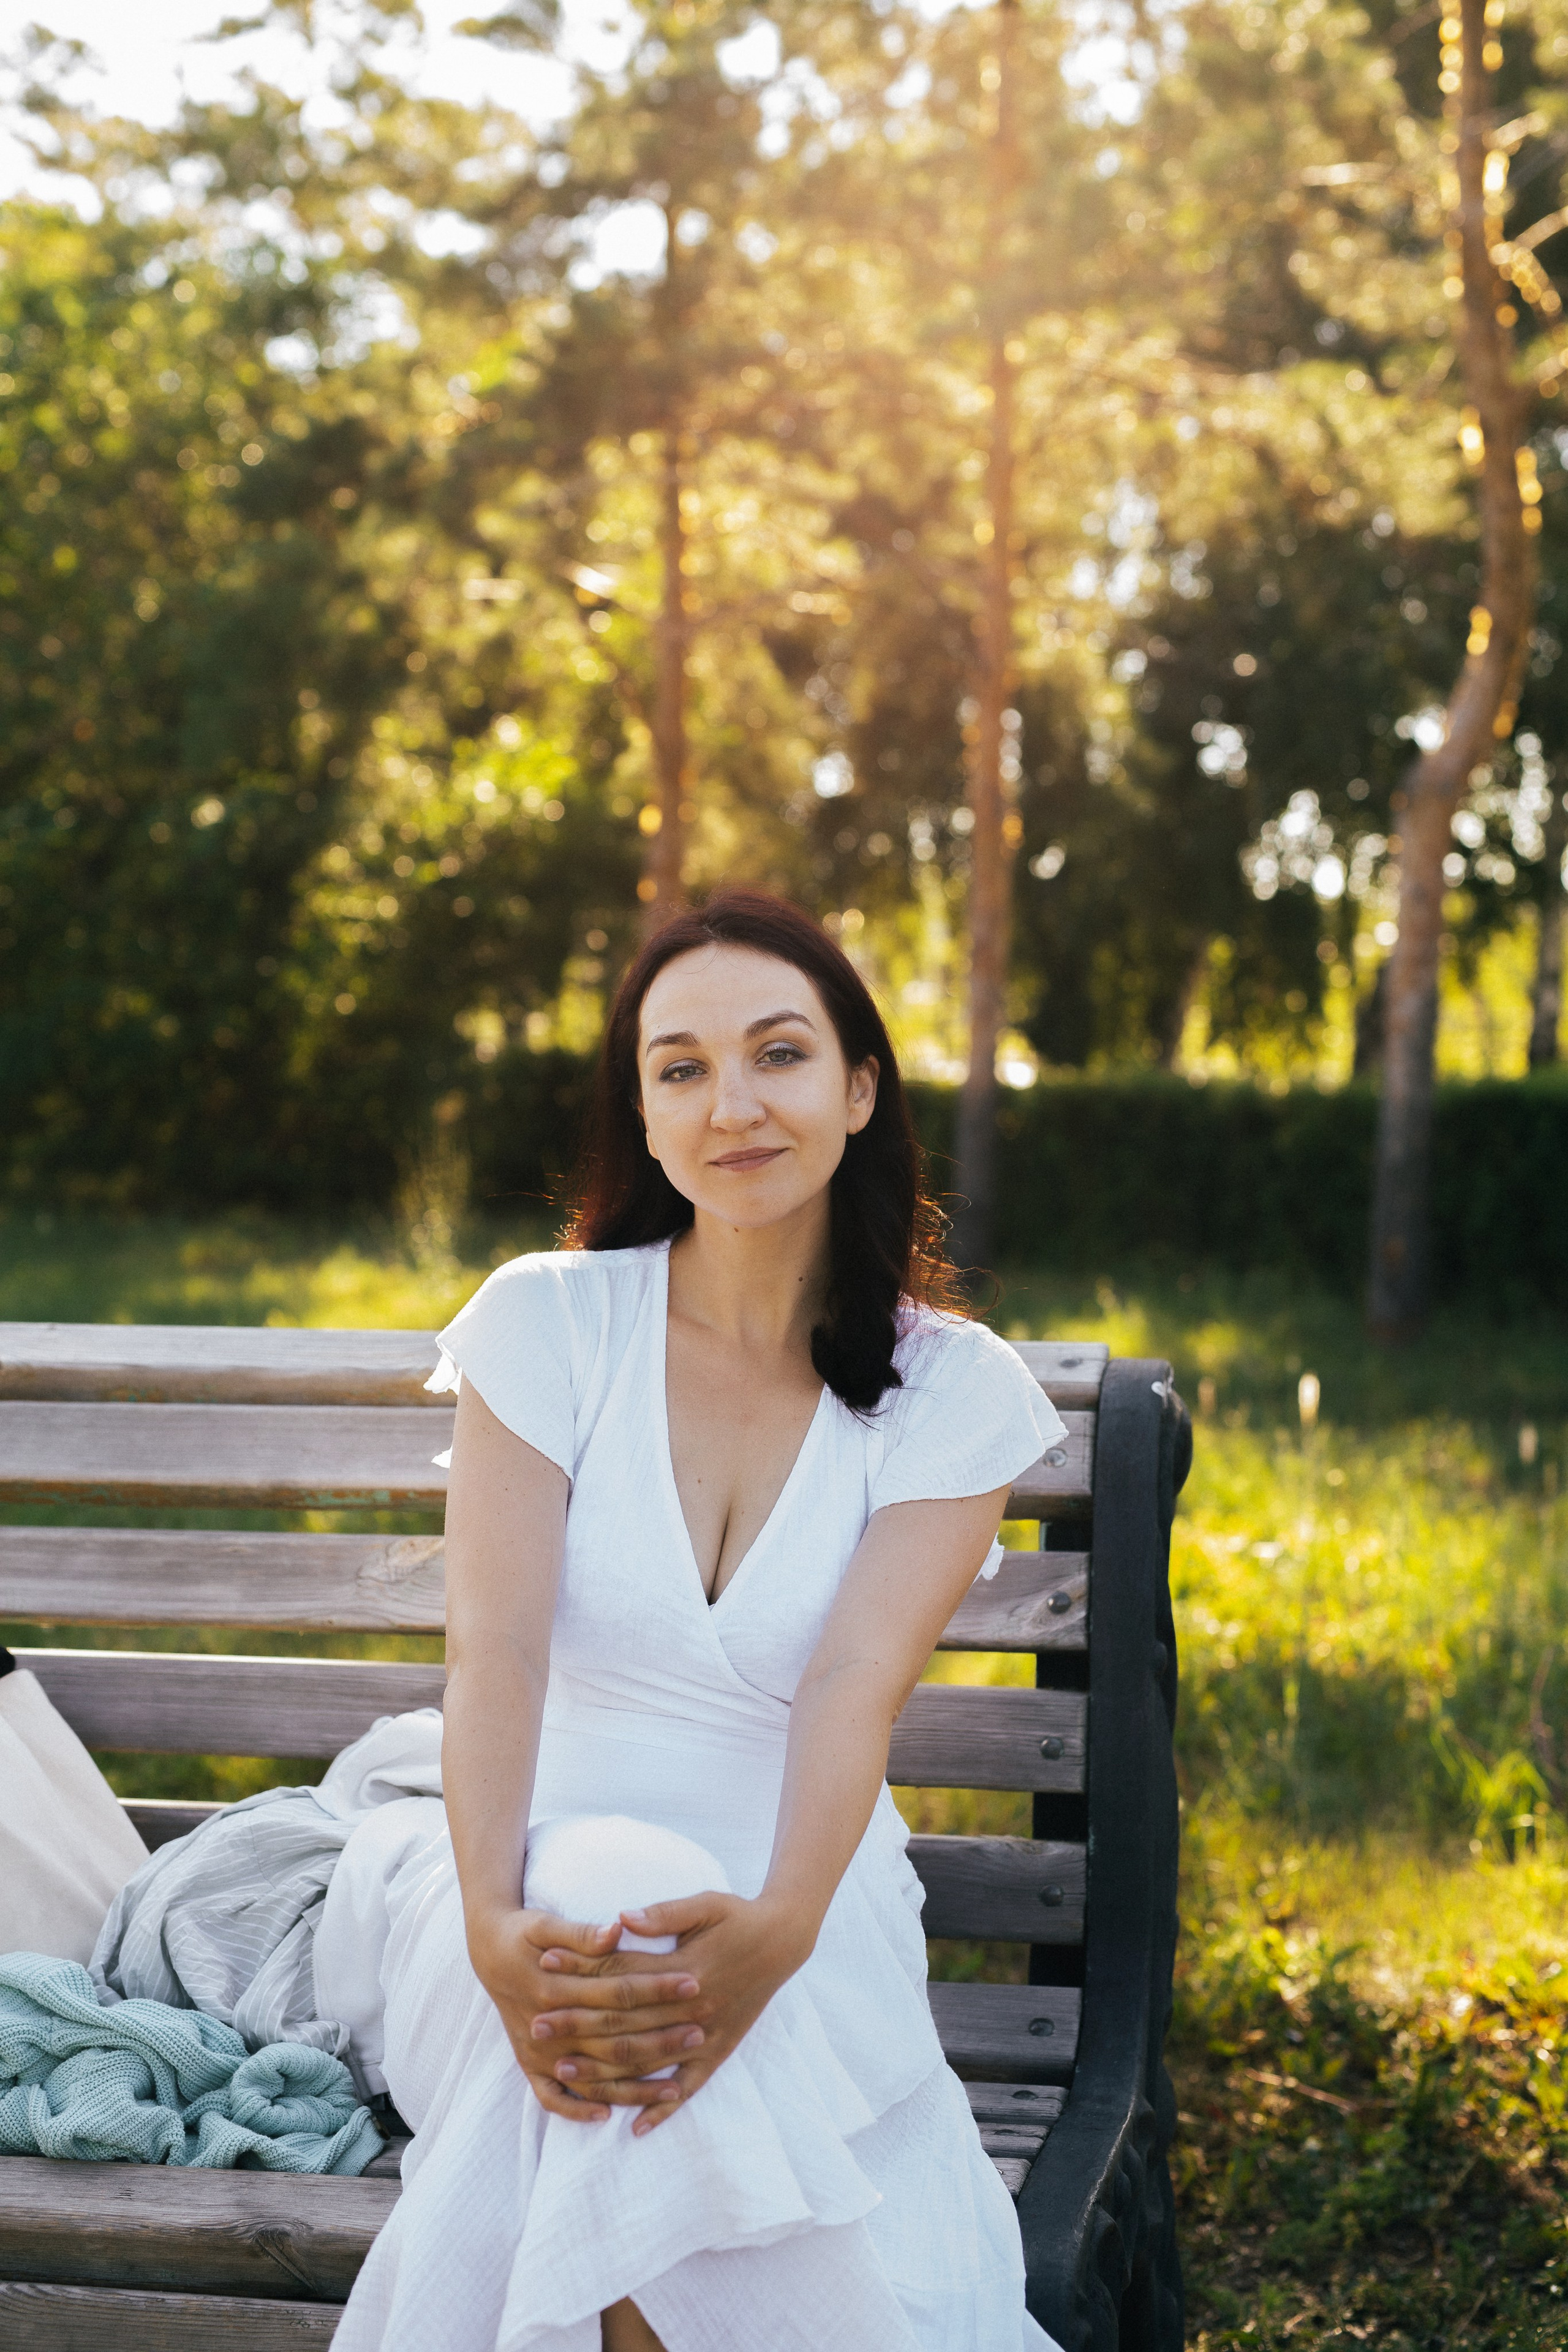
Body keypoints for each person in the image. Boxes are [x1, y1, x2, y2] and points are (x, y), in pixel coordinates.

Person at [329, 890, 1067, 2352]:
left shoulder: (952, 1391)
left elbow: (850, 1688)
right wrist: (487, 1924)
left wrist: (779, 1929)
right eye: (679, 1068)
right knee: (610, 1923)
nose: (730, 1103)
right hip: (506, 1884)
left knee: (615, 2084)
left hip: (805, 1898)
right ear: (644, 1117)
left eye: (777, 1054)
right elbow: (500, 1656)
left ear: (857, 1090)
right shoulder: (547, 1323)